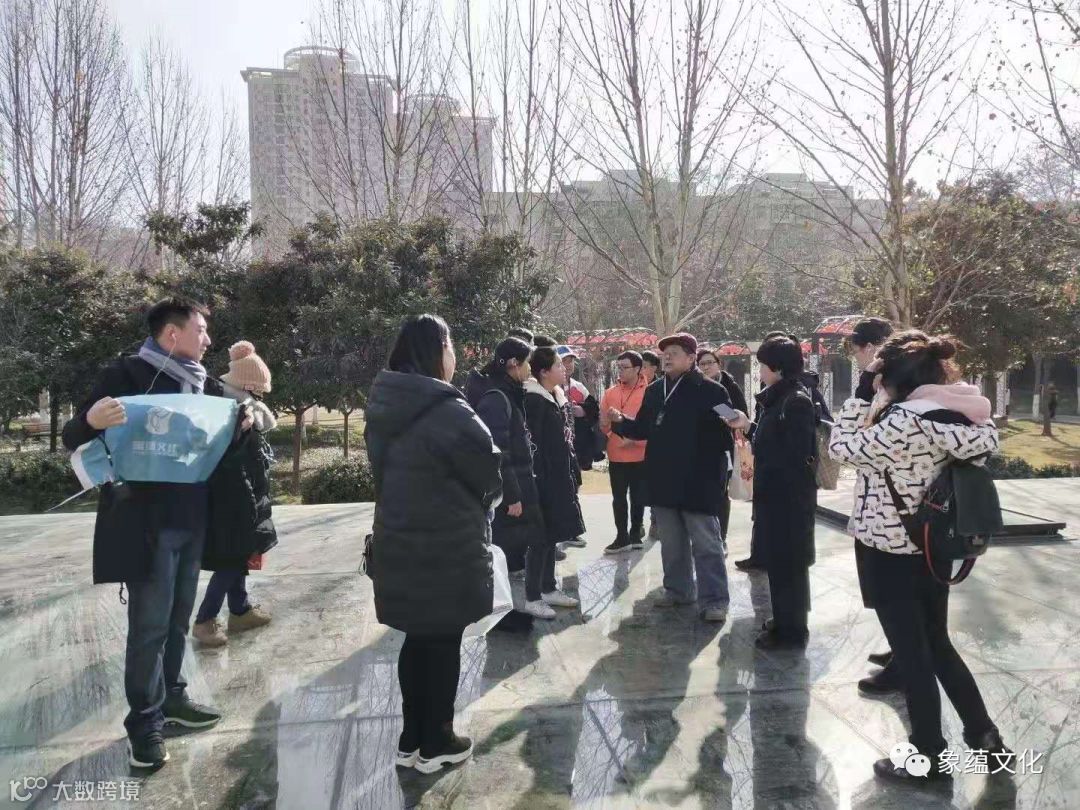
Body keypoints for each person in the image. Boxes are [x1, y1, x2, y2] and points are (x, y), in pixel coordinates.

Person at [62, 299, 249, 769]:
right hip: (144, 522)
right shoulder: (124, 376)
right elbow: (72, 435)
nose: (208, 340)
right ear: (172, 334)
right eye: (201, 330)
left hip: (193, 517)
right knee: (149, 626)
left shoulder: (204, 385)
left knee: (177, 619)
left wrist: (243, 424)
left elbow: (218, 445)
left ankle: (173, 699)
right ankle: (144, 724)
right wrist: (91, 421)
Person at [828, 330, 1010, 782]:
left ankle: (927, 753)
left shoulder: (902, 421)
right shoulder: (960, 414)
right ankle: (986, 738)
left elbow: (840, 448)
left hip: (888, 547)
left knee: (912, 654)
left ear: (889, 376)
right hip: (933, 545)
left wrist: (859, 395)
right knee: (936, 643)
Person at [364, 314, 503, 774]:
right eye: (450, 345)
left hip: (399, 538)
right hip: (446, 544)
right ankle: (438, 741)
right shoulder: (449, 410)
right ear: (435, 351)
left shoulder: (384, 406)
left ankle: (411, 738)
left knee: (418, 638)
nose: (454, 355)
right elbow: (489, 475)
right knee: (442, 641)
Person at [608, 332, 733, 623]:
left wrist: (735, 423)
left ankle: (715, 600)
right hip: (663, 478)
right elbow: (643, 428)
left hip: (699, 480)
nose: (667, 357)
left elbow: (731, 423)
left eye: (674, 352)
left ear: (691, 358)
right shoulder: (655, 391)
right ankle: (678, 590)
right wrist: (620, 423)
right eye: (665, 353)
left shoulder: (712, 391)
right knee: (672, 543)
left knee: (706, 544)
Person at [724, 336, 817, 649]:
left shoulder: (796, 402)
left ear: (777, 367)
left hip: (789, 500)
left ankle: (792, 630)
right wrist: (749, 426)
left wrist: (760, 446)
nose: (760, 371)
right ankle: (784, 619)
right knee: (779, 564)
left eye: (763, 366)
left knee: (790, 567)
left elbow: (795, 455)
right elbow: (772, 440)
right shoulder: (779, 399)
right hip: (775, 496)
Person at [193, 341, 279, 647]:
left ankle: (240, 610)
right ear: (249, 385)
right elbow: (227, 459)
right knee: (232, 559)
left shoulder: (241, 407)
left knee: (239, 553)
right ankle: (205, 620)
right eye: (259, 390)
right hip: (232, 496)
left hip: (244, 491)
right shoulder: (230, 411)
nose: (262, 396)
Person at [846, 317, 901, 695]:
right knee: (883, 589)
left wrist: (865, 386)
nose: (858, 359)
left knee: (891, 591)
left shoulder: (894, 389)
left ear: (873, 347)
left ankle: (906, 661)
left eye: (858, 351)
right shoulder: (884, 385)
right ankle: (901, 651)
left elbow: (846, 445)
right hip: (877, 505)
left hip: (891, 512)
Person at [464, 338, 540, 580]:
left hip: (515, 481)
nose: (530, 368)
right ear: (514, 364)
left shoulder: (507, 390)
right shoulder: (496, 397)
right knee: (509, 559)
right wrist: (512, 494)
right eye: (527, 362)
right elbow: (498, 451)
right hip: (506, 490)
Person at [523, 347, 586, 618]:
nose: (565, 368)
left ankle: (549, 588)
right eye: (559, 365)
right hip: (541, 480)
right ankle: (532, 596)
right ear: (544, 372)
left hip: (559, 477)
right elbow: (532, 445)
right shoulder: (533, 400)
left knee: (551, 536)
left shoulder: (556, 397)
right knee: (538, 539)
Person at [697, 348, 749, 542]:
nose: (706, 367)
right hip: (698, 448)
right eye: (702, 364)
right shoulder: (695, 386)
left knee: (720, 493)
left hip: (724, 447)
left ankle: (721, 536)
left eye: (710, 362)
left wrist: (718, 406)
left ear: (719, 364)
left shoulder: (728, 386)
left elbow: (741, 415)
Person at [599, 351, 649, 554]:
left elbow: (653, 424)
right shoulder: (610, 392)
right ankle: (621, 537)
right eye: (618, 367)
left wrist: (635, 439)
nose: (620, 371)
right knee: (618, 497)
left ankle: (635, 534)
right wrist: (611, 432)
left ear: (638, 369)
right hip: (617, 454)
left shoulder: (650, 391)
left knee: (638, 497)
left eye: (625, 367)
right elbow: (603, 422)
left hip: (641, 453)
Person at [557, 345, 603, 472]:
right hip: (558, 444)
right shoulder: (550, 387)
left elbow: (594, 409)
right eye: (564, 361)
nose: (568, 365)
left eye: (571, 361)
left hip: (579, 446)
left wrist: (583, 410)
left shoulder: (578, 386)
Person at [640, 349, 663, 541]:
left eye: (644, 366)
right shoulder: (654, 390)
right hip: (635, 448)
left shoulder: (717, 388)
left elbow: (733, 414)